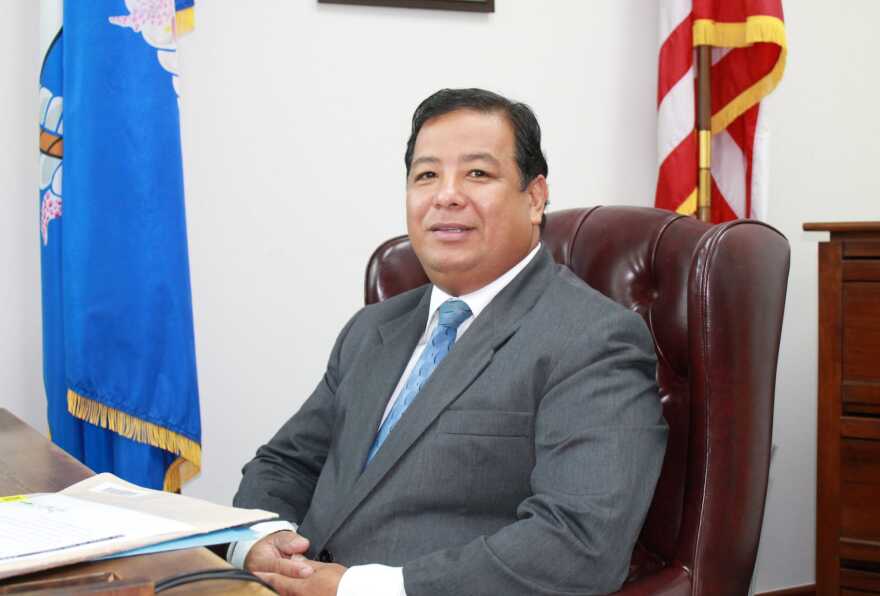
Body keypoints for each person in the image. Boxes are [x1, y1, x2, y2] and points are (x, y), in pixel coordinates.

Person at [230, 88, 668, 596]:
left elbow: (580, 543)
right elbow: (286, 463)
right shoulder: (372, 329)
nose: (446, 195)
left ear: (535, 198)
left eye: (478, 173)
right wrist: (263, 537)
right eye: (426, 175)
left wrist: (357, 589)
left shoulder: (593, 339)